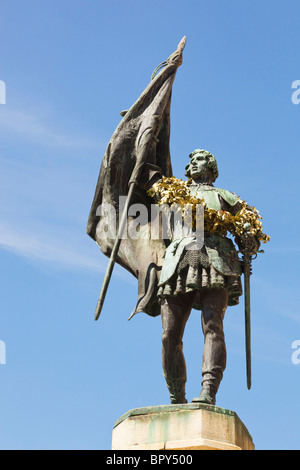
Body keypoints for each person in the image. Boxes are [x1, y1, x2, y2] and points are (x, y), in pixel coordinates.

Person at [156, 149, 260, 405]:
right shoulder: (173, 194)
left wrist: (249, 239)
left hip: (216, 259)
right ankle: (176, 393)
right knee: (169, 334)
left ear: (212, 167)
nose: (192, 162)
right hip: (178, 260)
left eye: (200, 159)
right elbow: (152, 228)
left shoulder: (225, 197)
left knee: (213, 325)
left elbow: (252, 234)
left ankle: (208, 390)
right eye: (190, 160)